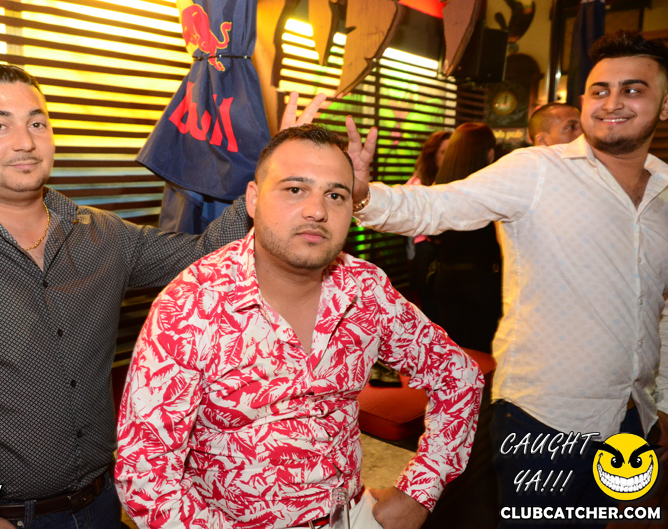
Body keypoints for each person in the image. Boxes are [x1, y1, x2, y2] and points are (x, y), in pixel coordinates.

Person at [0, 65, 327, 529]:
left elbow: (208, 253)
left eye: (37, 122)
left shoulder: (102, 235)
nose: (25, 141)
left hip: (104, 504)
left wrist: (282, 176)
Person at [350, 30, 668, 526]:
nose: (612, 103)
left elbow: (659, 307)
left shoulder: (665, 192)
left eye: (633, 89)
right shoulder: (538, 170)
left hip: (633, 419)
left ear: (664, 106)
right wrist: (361, 193)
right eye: (600, 90)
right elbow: (437, 206)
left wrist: (660, 401)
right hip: (544, 420)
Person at [114, 124, 484, 529]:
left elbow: (458, 375)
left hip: (352, 516)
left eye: (335, 195)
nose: (317, 211)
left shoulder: (365, 290)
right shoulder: (190, 306)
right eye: (294, 189)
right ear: (253, 198)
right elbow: (145, 475)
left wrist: (419, 492)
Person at [428, 123, 501, 354]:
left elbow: (431, 234)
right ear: (489, 153)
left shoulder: (440, 186)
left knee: (450, 351)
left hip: (445, 278)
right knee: (478, 353)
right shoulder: (492, 190)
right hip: (481, 280)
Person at [405, 130, 451, 321]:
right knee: (431, 315)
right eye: (443, 152)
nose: (448, 157)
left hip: (451, 256)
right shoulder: (419, 183)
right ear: (432, 155)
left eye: (452, 152)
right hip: (427, 253)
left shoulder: (459, 182)